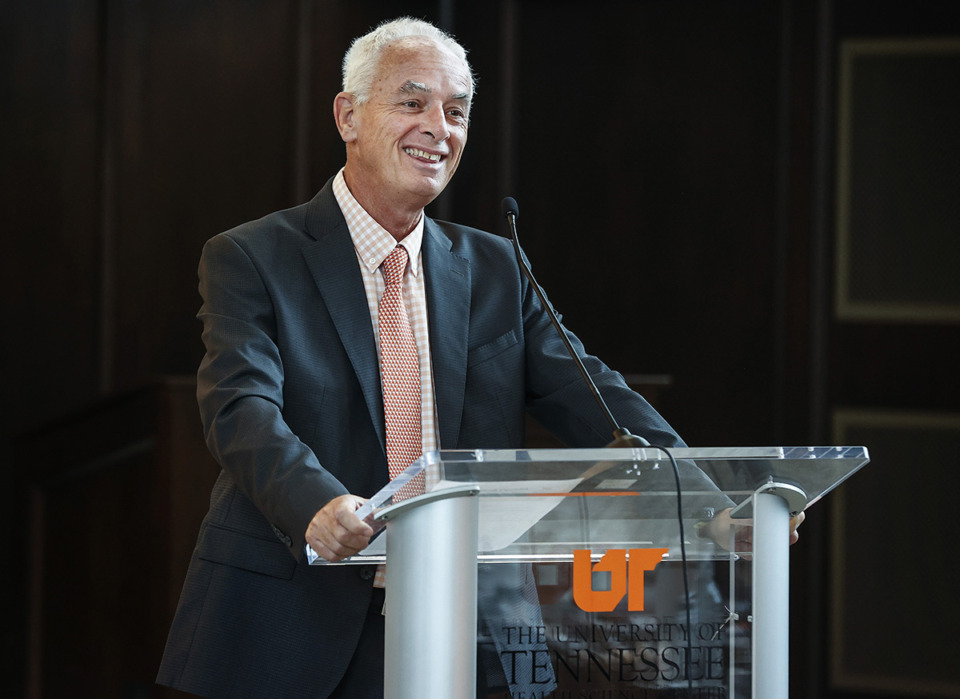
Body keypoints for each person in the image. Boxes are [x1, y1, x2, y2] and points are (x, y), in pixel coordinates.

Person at [157, 16, 800, 698]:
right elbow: (239, 406)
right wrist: (315, 504)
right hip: (293, 616)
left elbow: (596, 397)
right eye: (413, 102)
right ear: (349, 115)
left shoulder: (495, 266)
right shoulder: (254, 256)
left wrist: (711, 497)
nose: (440, 127)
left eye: (457, 110)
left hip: (475, 623)